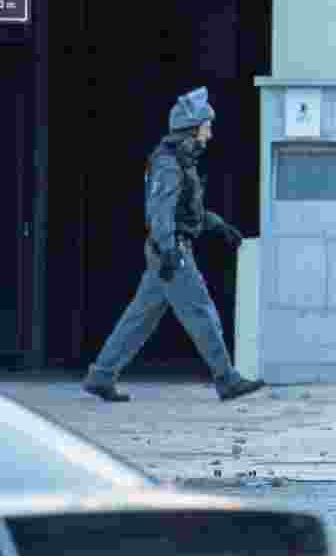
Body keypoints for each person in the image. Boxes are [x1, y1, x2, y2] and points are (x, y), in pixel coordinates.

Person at [83, 87, 266, 402]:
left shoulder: (182, 161)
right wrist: (168, 250)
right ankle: (226, 379)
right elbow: (160, 212)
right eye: (207, 126)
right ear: (192, 127)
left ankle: (101, 375)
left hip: (167, 248)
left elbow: (186, 211)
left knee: (138, 319)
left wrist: (218, 225)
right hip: (170, 250)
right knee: (202, 313)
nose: (210, 134)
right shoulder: (168, 164)